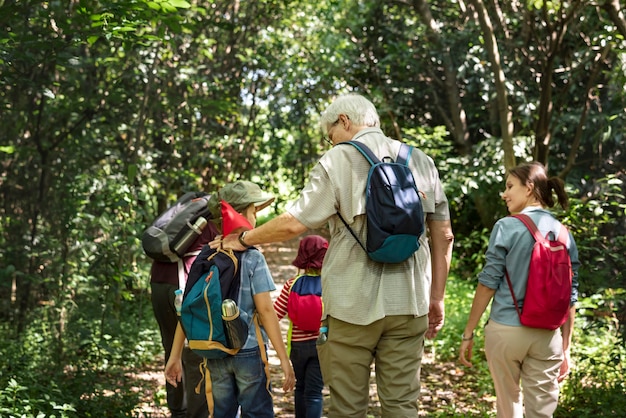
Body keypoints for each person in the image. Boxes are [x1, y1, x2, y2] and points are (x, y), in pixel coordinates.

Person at [210, 93, 454, 417]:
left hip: (351, 307)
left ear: (344, 121)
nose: (332, 143)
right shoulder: (421, 160)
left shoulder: (338, 159)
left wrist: (244, 238)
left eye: (331, 136)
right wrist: (436, 297)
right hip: (410, 303)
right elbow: (444, 234)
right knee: (402, 406)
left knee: (348, 407)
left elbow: (294, 222)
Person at [458, 161, 580, 418]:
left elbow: (488, 281)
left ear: (530, 188)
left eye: (510, 186)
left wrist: (468, 332)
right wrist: (565, 347)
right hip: (548, 336)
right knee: (542, 412)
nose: (504, 193)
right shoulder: (564, 233)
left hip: (506, 330)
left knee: (508, 407)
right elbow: (571, 294)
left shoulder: (507, 226)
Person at [164, 180, 295, 418]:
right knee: (257, 412)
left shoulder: (207, 255)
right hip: (248, 350)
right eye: (254, 210)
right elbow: (266, 312)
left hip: (215, 350)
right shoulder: (254, 258)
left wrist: (174, 358)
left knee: (223, 413)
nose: (256, 216)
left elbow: (189, 309)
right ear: (242, 213)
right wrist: (284, 360)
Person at [150, 209, 216, 417]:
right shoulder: (210, 225)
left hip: (159, 285)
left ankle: (177, 410)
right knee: (195, 353)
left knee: (172, 348)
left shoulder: (177, 224)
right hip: (183, 287)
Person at [273, 235, 328, 418]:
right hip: (321, 344)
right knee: (314, 393)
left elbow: (275, 314)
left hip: (297, 346)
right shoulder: (329, 285)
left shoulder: (292, 284)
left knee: (300, 387)